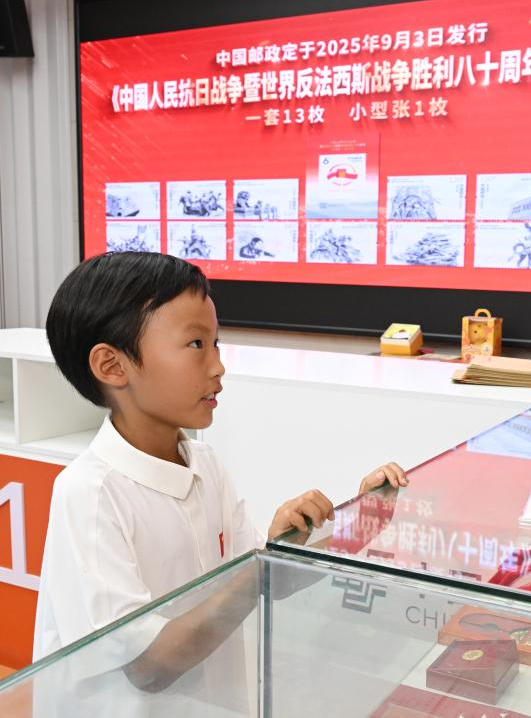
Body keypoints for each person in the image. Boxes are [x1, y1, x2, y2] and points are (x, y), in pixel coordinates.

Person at [35, 251, 408, 671]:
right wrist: (258, 570)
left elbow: (263, 580)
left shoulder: (204, 464)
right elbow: (148, 666)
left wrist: (359, 526)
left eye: (215, 342)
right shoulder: (90, 494)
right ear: (112, 365)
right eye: (196, 344)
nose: (218, 366)